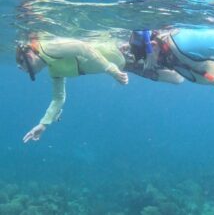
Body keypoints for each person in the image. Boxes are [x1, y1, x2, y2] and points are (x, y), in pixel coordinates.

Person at [17, 32, 183, 143]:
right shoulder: (53, 69)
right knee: (176, 78)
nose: (23, 69)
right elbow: (58, 97)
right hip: (122, 64)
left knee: (172, 54)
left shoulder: (48, 47)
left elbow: (82, 47)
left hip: (121, 53)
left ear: (29, 53)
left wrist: (111, 71)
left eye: (22, 63)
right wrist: (44, 124)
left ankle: (172, 35)